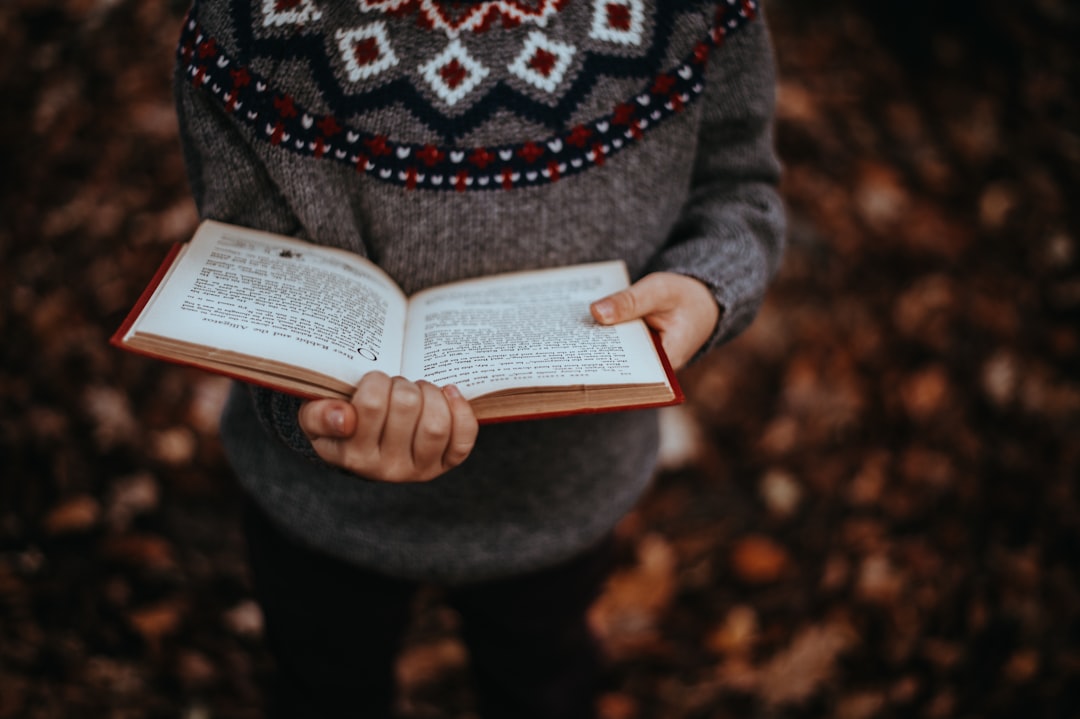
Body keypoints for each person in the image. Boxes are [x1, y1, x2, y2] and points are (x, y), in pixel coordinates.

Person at [173, 0, 785, 716]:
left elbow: (740, 187)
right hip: (321, 503)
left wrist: (708, 287)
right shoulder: (247, 27)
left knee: (543, 678)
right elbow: (254, 266)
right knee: (323, 684)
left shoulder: (692, 13)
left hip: (560, 493)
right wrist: (310, 411)